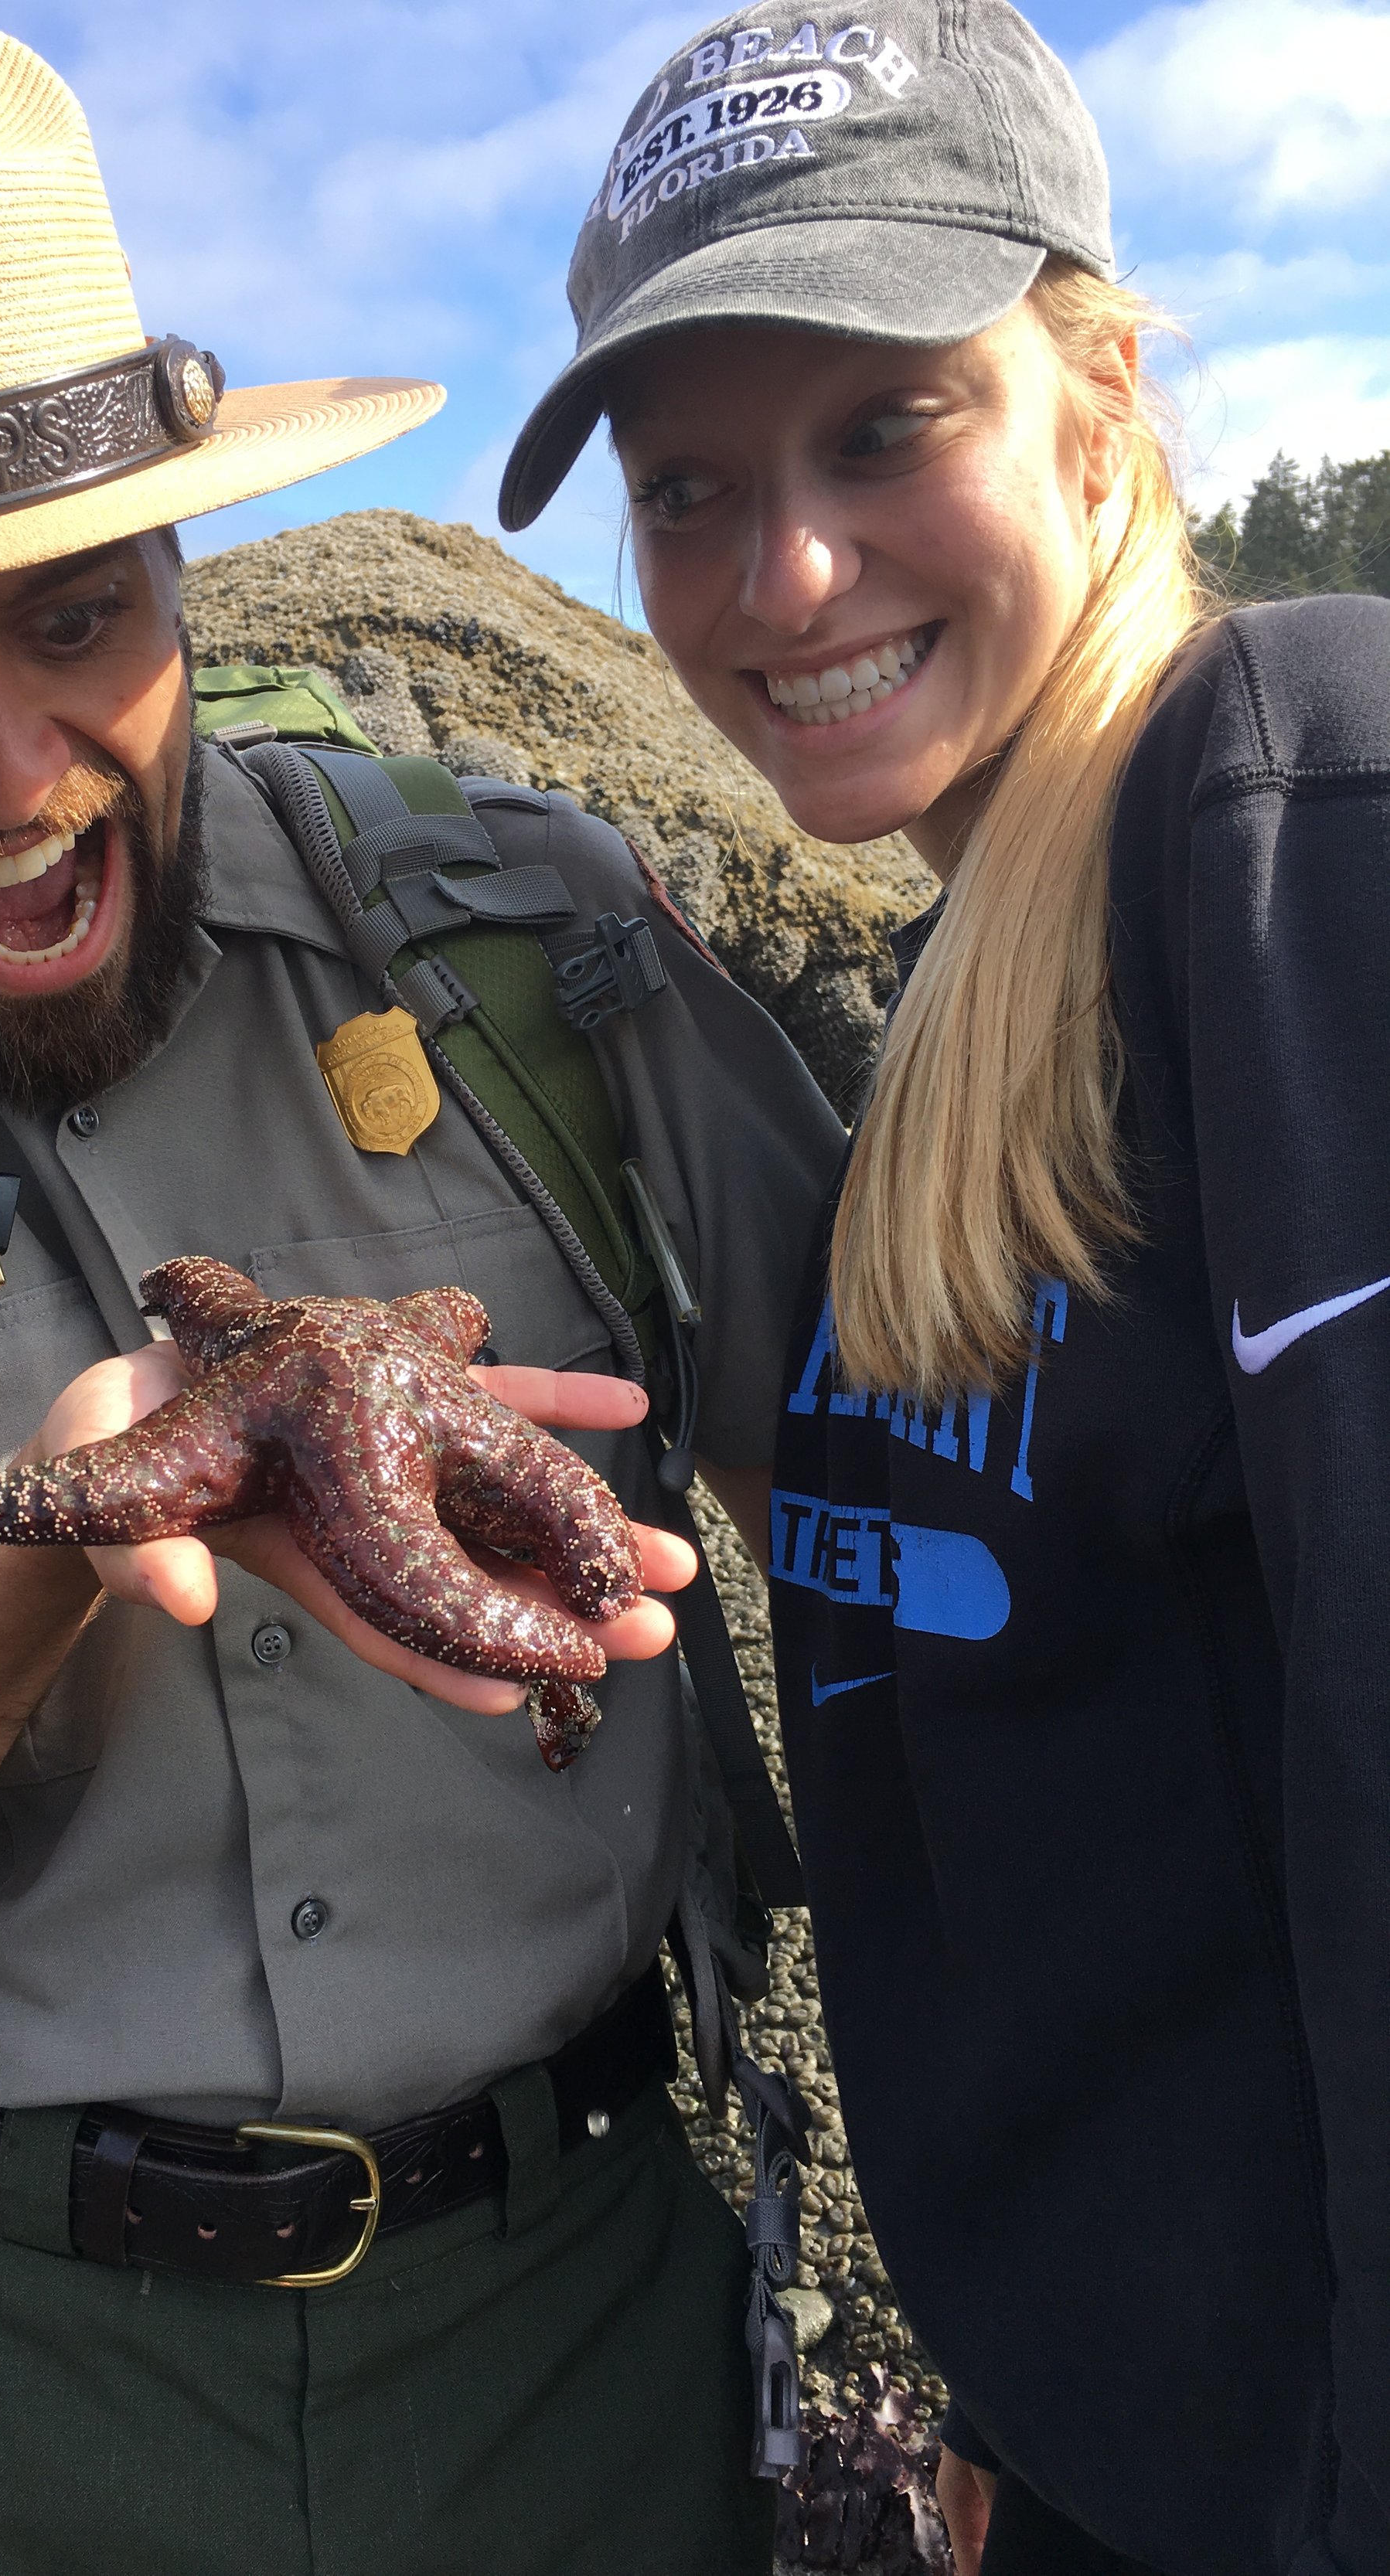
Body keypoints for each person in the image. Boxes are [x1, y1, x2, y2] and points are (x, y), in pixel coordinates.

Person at [0, 3, 845, 2571]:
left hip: (585, 2304)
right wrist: (48, 1550)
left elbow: (897, 1548)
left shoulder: (527, 926)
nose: (8, 769)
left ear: (184, 561)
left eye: (82, 612)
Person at [500, 5, 1390, 2574]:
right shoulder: (950, 1017)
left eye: (886, 428)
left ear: (1099, 396)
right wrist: (1017, 2401)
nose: (779, 575)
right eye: (688, 489)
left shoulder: (1294, 831)